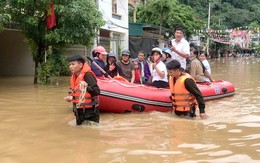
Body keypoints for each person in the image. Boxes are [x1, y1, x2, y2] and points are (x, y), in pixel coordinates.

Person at [64, 55, 100, 125]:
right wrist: (71, 97)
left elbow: (97, 91)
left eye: (73, 64)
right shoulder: (74, 77)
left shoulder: (87, 75)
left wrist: (86, 87)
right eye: (70, 64)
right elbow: (73, 91)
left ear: (80, 65)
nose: (70, 66)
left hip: (90, 111)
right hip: (78, 110)